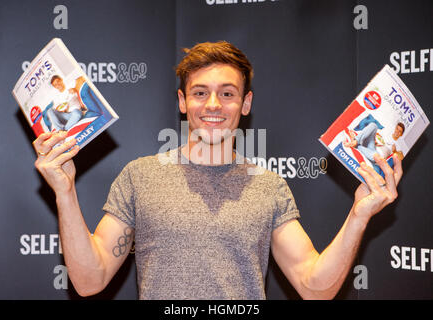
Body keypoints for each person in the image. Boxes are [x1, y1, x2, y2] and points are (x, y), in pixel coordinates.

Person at [32, 41, 402, 300]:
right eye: (199, 92)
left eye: (227, 93)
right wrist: (65, 191)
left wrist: (359, 214)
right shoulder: (139, 176)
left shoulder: (269, 186)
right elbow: (89, 280)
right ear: (182, 101)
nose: (213, 104)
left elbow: (313, 286)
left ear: (245, 103)